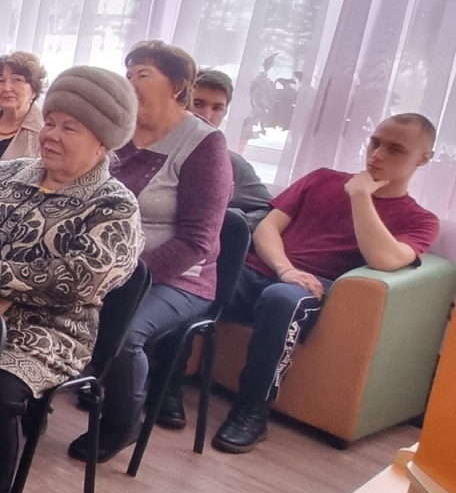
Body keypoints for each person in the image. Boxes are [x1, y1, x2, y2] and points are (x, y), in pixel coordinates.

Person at [0, 67, 142, 493]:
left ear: (103, 141)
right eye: (51, 122)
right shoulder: (4, 174)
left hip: (50, 331)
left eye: (69, 128)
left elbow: (79, 280)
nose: (52, 135)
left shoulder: (115, 206)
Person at [209, 114, 440, 454]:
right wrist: (285, 267)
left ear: (423, 158)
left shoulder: (421, 219)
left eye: (395, 149)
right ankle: (166, 386)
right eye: (375, 142)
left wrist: (361, 195)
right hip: (270, 269)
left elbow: (385, 259)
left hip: (308, 290)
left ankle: (252, 412)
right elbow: (266, 229)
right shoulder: (321, 179)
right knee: (203, 273)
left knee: (281, 299)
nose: (376, 155)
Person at [71, 42, 232, 463]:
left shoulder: (204, 145)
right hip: (105, 266)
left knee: (121, 335)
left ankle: (125, 422)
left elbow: (197, 241)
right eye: (128, 73)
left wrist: (121, 279)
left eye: (143, 73)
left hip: (179, 277)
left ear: (177, 86)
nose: (131, 82)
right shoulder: (117, 133)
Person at [189, 69, 275, 228]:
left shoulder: (231, 163)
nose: (207, 116)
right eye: (198, 104)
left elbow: (268, 211)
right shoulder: (152, 149)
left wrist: (222, 224)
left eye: (217, 108)